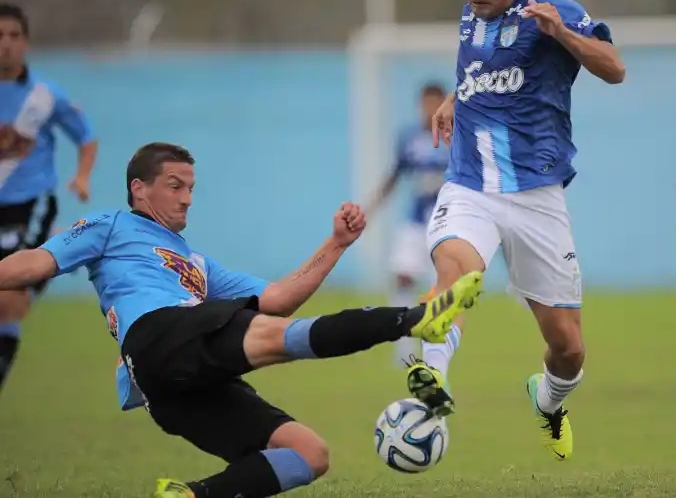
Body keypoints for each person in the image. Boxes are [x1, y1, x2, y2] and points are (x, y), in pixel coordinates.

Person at [0, 142, 481, 498]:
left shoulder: (197, 265)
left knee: (308, 453)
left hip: (172, 386)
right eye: (175, 186)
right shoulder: (110, 225)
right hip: (159, 334)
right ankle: (416, 319)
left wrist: (336, 244)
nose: (187, 198)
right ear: (138, 189)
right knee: (281, 339)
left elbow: (279, 297)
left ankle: (191, 495)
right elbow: (34, 264)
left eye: (191, 188)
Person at [405, 0, 626, 461]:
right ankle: (431, 377)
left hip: (537, 197)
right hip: (470, 187)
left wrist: (562, 34)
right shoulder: (471, 18)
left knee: (568, 347)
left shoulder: (549, 9)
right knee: (455, 272)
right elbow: (482, 73)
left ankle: (548, 402)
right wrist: (454, 100)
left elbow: (615, 69)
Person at [0, 2, 98, 394]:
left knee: (10, 303)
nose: (6, 44)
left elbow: (86, 137)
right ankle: (63, 249)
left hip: (31, 208)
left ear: (25, 42)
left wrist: (82, 176)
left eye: (13, 36)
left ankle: (54, 246)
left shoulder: (44, 96)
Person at [367, 82, 452, 364]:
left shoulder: (456, 137)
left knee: (443, 285)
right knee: (402, 276)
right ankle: (404, 348)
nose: (430, 109)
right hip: (416, 221)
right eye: (426, 104)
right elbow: (396, 173)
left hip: (447, 222)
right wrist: (371, 207)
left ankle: (438, 350)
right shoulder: (409, 138)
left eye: (435, 103)